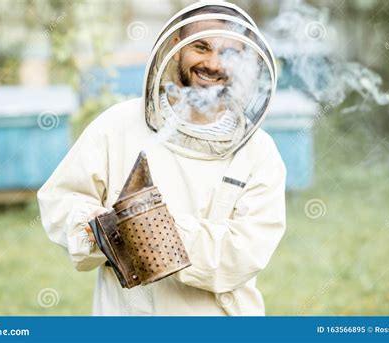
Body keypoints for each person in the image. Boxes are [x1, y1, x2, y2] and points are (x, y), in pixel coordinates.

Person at [38, 1, 286, 316]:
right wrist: (97, 227)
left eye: (229, 53)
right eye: (201, 47)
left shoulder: (259, 152)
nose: (212, 63)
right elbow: (60, 200)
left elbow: (244, 254)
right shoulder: (119, 124)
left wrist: (146, 230)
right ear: (176, 46)